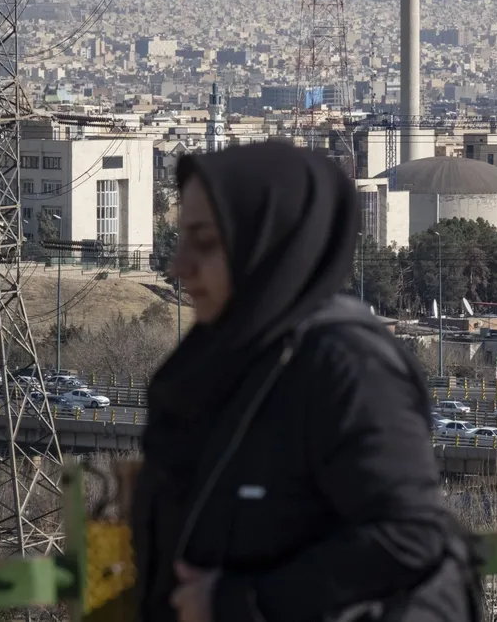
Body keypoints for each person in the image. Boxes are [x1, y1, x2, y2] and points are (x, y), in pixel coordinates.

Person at [131, 142, 478, 622]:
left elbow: (407, 537)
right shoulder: (222, 358)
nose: (179, 266)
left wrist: (241, 603)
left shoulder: (345, 367)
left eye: (206, 242)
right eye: (181, 240)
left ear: (271, 244)